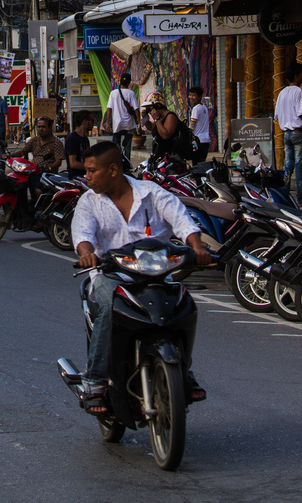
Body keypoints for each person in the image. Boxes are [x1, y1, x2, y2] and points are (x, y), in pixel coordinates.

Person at [71, 140, 211, 413]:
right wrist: (87, 253)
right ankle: (95, 382)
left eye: (91, 171)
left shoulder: (151, 193)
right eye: (86, 171)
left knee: (184, 306)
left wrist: (197, 247)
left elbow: (181, 219)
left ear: (113, 170)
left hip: (158, 276)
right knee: (109, 309)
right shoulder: (89, 202)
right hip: (113, 278)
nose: (86, 176)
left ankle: (184, 369)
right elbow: (83, 235)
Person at [274, 60, 302, 205]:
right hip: (299, 132)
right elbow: (301, 112)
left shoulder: (282, 92)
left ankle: (284, 195)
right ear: (297, 76)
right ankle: (300, 198)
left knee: (288, 165)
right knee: (299, 166)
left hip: (287, 133)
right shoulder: (299, 91)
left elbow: (277, 115)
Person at [11, 116, 65, 193]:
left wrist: (48, 168)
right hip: (32, 172)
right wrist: (10, 156)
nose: (40, 129)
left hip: (47, 176)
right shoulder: (34, 140)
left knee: (38, 191)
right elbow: (22, 152)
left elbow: (58, 161)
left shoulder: (56, 142)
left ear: (50, 128)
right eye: (39, 127)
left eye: (43, 127)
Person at [103, 72, 140, 162]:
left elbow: (109, 109)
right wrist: (139, 121)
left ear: (120, 82)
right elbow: (136, 108)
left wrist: (108, 123)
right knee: (128, 144)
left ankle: (118, 160)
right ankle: (127, 161)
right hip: (128, 124)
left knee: (116, 142)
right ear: (129, 82)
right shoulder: (131, 93)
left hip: (117, 123)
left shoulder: (113, 93)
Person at [142, 92, 182, 163]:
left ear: (158, 105)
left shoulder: (170, 116)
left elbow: (165, 135)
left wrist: (157, 119)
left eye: (150, 109)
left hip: (169, 159)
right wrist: (145, 118)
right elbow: (151, 127)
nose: (150, 112)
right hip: (159, 157)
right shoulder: (160, 119)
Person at [64, 110, 94, 176]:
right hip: (76, 177)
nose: (93, 123)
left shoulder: (85, 139)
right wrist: (91, 167)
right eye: (92, 120)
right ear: (84, 122)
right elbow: (73, 164)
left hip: (85, 175)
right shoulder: (72, 138)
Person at [188, 86, 212, 159]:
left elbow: (192, 125)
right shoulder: (204, 107)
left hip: (198, 141)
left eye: (194, 95)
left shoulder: (196, 108)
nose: (191, 97)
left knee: (196, 164)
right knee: (201, 163)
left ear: (200, 97)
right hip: (206, 140)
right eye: (190, 95)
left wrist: (187, 133)